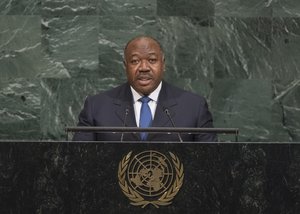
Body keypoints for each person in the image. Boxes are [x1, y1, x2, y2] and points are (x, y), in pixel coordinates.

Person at [73, 36, 217, 142]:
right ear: (125, 66)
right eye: (135, 61)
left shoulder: (193, 107)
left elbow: (211, 162)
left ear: (163, 64)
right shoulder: (97, 106)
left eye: (152, 60)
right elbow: (79, 159)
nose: (143, 68)